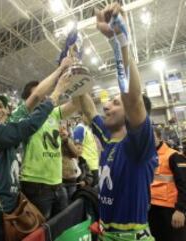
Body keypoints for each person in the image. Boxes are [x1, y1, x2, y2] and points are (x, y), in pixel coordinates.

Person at [77, 3, 157, 240]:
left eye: (115, 103)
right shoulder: (108, 137)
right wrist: (73, 68)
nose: (106, 106)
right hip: (104, 233)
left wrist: (119, 41)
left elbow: (132, 99)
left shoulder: (137, 147)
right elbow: (88, 107)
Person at [0, 70, 72, 241]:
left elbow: (34, 97)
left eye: (1, 106)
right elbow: (29, 125)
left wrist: (61, 69)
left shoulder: (6, 127)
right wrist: (56, 93)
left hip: (7, 206)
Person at [149, 127, 186, 241]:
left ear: (160, 138)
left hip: (170, 211)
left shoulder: (174, 156)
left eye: (152, 137)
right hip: (151, 209)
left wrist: (181, 210)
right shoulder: (147, 158)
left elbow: (184, 184)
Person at [73, 114, 100, 187]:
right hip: (88, 168)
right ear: (82, 116)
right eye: (87, 115)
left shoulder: (88, 128)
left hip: (94, 165)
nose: (90, 118)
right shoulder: (80, 129)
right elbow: (77, 150)